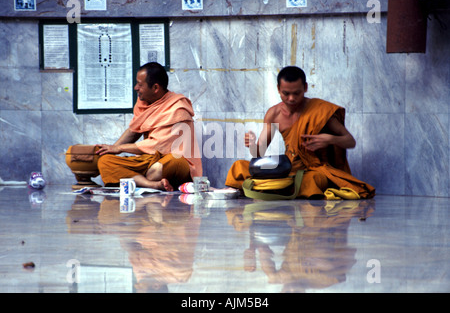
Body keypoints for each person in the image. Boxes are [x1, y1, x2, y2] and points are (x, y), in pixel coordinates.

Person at [225, 66, 375, 199]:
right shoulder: (274, 114)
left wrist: (329, 139)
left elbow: (350, 141)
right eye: (286, 93)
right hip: (287, 168)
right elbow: (259, 154)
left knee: (313, 181)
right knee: (239, 166)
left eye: (297, 93)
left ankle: (273, 189)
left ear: (305, 88)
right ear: (278, 89)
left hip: (313, 169)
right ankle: (280, 188)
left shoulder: (320, 110)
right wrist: (252, 145)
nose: (291, 99)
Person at [96, 62, 202, 191]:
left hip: (172, 160)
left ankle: (140, 178)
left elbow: (157, 145)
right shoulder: (143, 104)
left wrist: (120, 148)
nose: (135, 88)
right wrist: (112, 150)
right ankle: (152, 184)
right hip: (149, 159)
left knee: (167, 164)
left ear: (155, 88)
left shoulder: (177, 107)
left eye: (140, 85)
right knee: (106, 161)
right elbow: (133, 131)